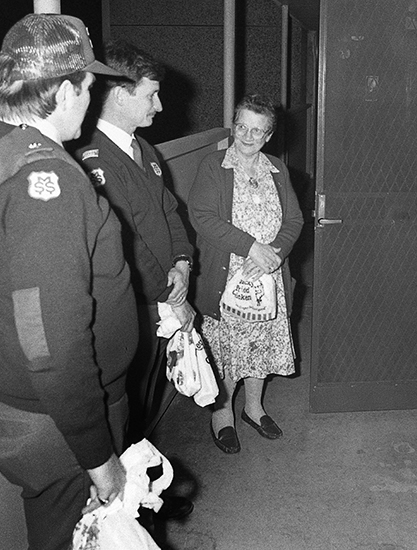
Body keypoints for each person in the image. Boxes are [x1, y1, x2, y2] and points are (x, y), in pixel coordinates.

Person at [0, 14, 137, 550]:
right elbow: (52, 341)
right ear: (61, 90)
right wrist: (99, 458)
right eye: (87, 84)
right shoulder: (49, 183)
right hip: (63, 424)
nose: (92, 94)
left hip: (30, 409)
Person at [73, 39, 195, 520]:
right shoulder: (94, 159)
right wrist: (170, 295)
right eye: (151, 95)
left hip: (162, 300)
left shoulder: (142, 149)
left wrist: (183, 260)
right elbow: (123, 244)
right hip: (136, 309)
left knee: (143, 407)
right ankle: (129, 511)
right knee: (123, 413)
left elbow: (169, 212)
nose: (159, 105)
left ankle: (144, 496)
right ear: (120, 95)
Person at [188, 94, 303, 454]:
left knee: (261, 346)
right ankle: (222, 415)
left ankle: (254, 409)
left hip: (268, 275)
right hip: (229, 276)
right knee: (226, 350)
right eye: (242, 127)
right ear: (233, 126)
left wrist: (274, 255)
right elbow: (202, 217)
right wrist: (252, 247)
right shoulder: (214, 165)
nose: (248, 136)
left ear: (268, 136)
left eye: (257, 131)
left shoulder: (277, 170)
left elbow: (294, 220)